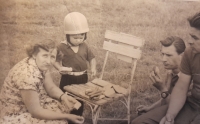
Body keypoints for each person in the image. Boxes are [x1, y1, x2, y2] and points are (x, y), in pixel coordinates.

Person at [0, 40, 84, 124]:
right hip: (16, 113)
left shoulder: (39, 64)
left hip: (34, 103)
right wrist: (67, 117)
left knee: (63, 108)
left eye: (52, 57)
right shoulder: (27, 75)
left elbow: (50, 87)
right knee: (60, 121)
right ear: (34, 54)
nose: (48, 61)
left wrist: (63, 96)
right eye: (45, 55)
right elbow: (36, 111)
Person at [131, 36, 186, 124]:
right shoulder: (171, 72)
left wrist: (162, 89)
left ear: (182, 56)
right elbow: (167, 97)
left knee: (138, 122)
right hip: (169, 107)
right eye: (162, 54)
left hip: (182, 113)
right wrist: (150, 108)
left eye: (168, 55)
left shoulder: (188, 77)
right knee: (133, 117)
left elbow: (176, 106)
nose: (163, 59)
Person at [53, 12, 97, 117]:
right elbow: (54, 60)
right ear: (67, 36)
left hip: (82, 77)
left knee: (80, 100)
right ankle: (66, 118)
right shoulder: (61, 47)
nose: (78, 40)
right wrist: (59, 68)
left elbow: (92, 58)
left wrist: (93, 67)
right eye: (75, 38)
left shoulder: (84, 46)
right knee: (66, 101)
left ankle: (77, 117)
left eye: (81, 37)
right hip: (68, 78)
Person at [160, 12, 200, 124]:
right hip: (193, 104)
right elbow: (182, 87)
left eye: (195, 38)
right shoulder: (190, 52)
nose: (189, 41)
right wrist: (170, 116)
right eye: (190, 36)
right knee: (141, 121)